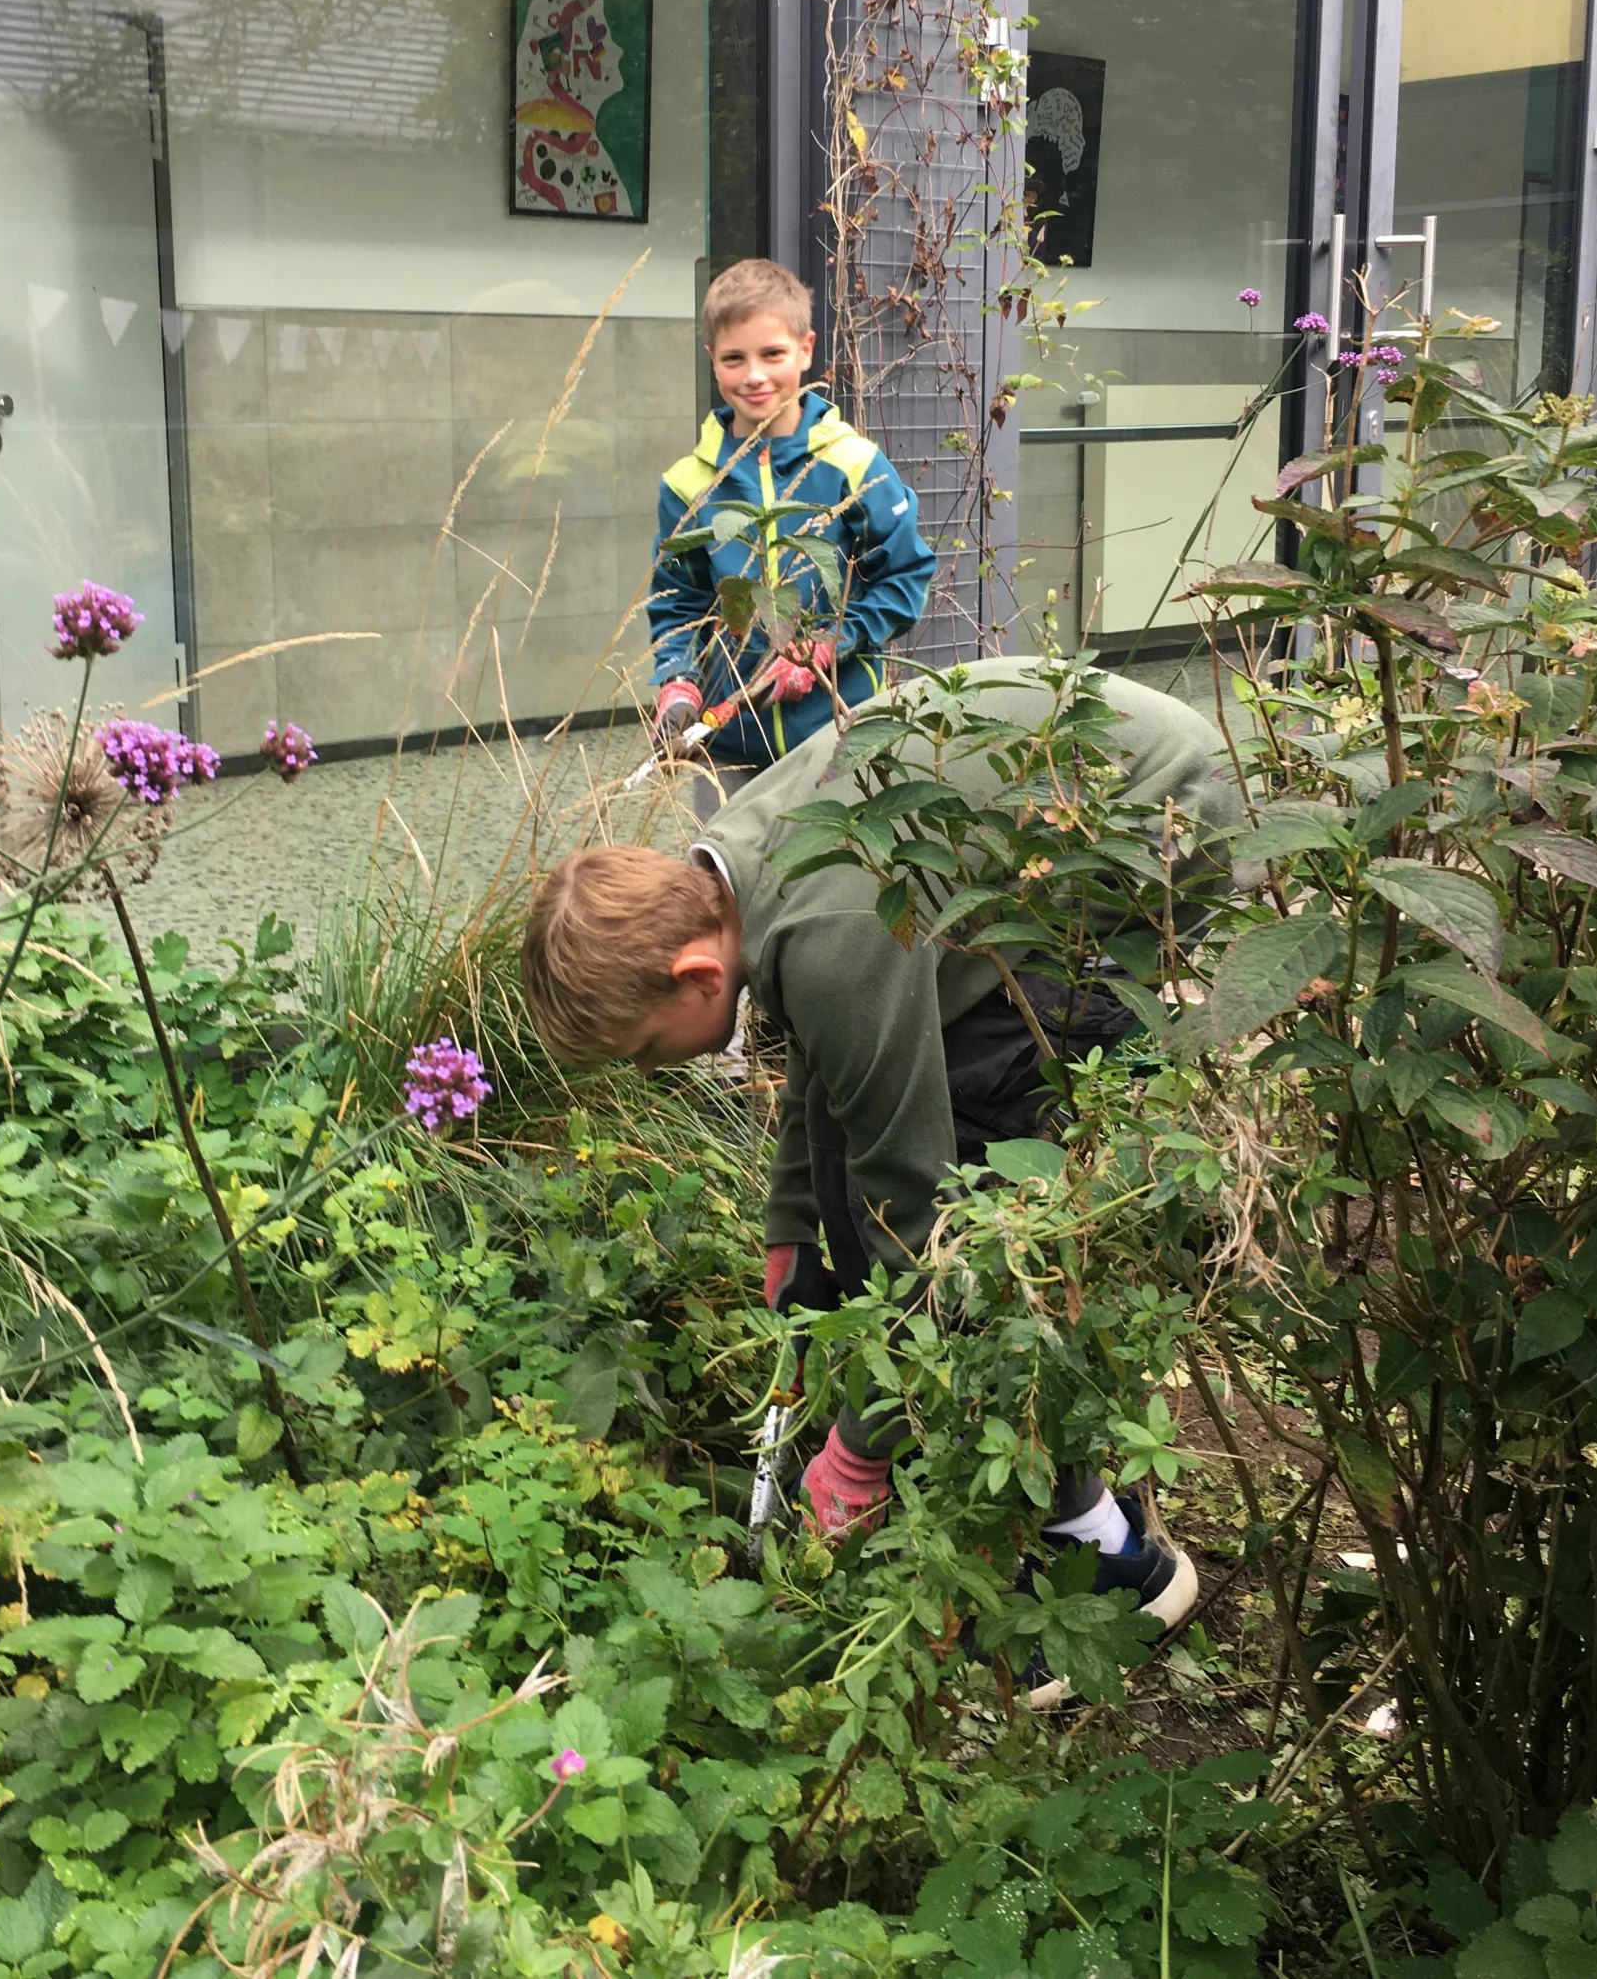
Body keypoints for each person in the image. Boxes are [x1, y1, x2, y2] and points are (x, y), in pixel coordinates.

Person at [523, 659, 1243, 1688]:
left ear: (689, 974)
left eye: (644, 1048)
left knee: (991, 1194)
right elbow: (827, 1055)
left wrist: (858, 1449)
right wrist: (793, 1226)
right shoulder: (728, 868)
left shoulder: (826, 935)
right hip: (1073, 810)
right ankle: (1002, 1467)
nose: (652, 1069)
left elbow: (930, 1216)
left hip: (1162, 824)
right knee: (888, 1204)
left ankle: (1110, 1551)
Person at [649, 259, 935, 821]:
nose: (754, 375)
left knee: (835, 880)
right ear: (713, 362)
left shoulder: (853, 465)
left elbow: (904, 577)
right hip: (727, 742)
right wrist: (677, 682)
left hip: (838, 727)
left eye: (772, 354)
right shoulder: (687, 483)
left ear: (805, 350)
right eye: (735, 358)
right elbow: (676, 603)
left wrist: (830, 644)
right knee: (728, 886)